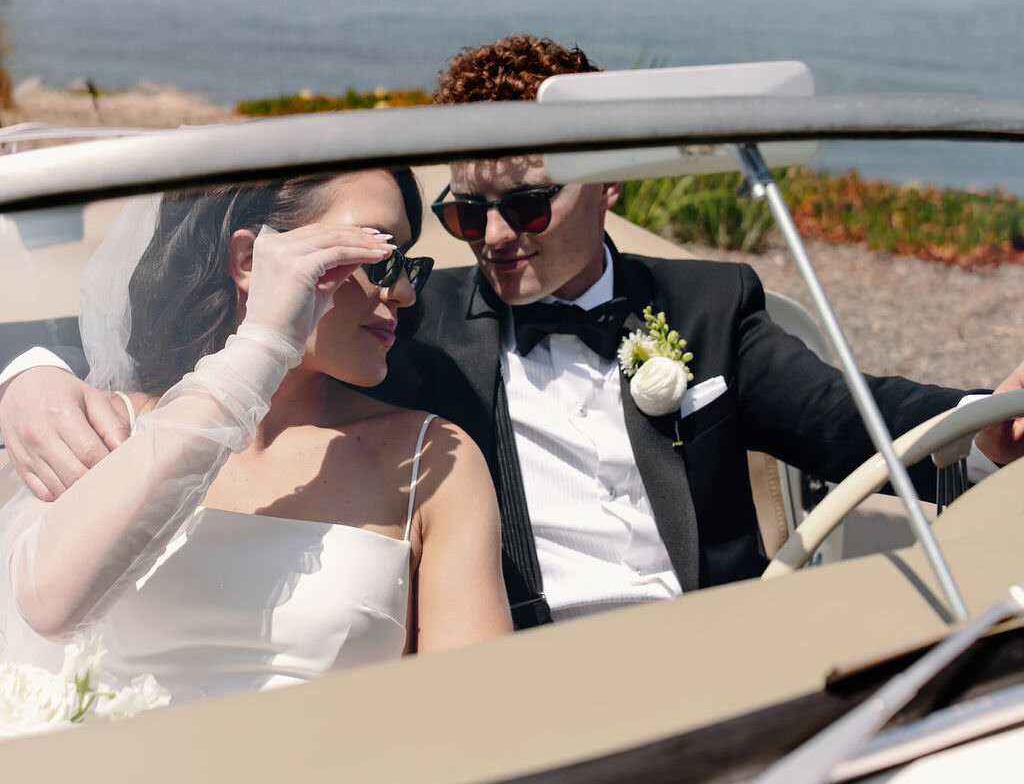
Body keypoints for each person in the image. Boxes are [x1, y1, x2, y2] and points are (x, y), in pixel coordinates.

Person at [2, 36, 1023, 630]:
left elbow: (857, 418)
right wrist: (29, 377)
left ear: (612, 179)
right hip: (521, 676)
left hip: (711, 664)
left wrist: (989, 426)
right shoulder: (407, 318)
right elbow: (137, 332)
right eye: (465, 213)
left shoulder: (710, 308)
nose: (492, 239)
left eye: (528, 206)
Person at [0, 168, 511, 701]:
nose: (403, 292)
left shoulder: (430, 459)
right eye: (379, 258)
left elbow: (472, 710)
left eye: (405, 262)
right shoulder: (99, 427)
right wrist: (261, 348)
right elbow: (48, 607)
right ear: (250, 262)